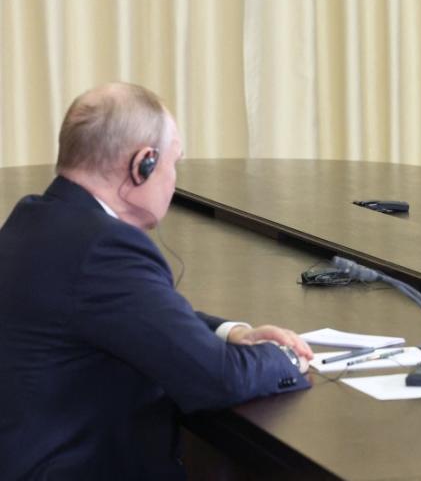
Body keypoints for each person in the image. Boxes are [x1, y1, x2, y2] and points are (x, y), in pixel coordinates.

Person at [0, 83, 314, 479]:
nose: (174, 179)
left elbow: (134, 315)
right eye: (173, 162)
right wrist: (287, 358)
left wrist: (231, 333)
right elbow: (217, 379)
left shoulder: (35, 218)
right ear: (143, 164)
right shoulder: (106, 247)